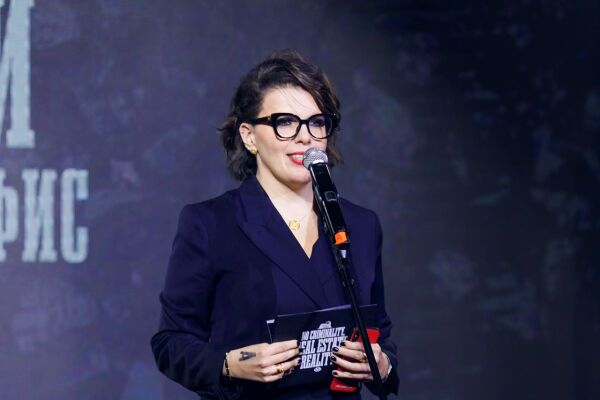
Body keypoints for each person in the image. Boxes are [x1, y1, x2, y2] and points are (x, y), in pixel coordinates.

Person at [151, 49, 399, 399]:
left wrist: (382, 364)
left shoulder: (360, 225)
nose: (305, 136)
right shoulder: (211, 224)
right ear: (249, 136)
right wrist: (230, 365)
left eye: (317, 122)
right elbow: (171, 342)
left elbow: (380, 332)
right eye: (285, 122)